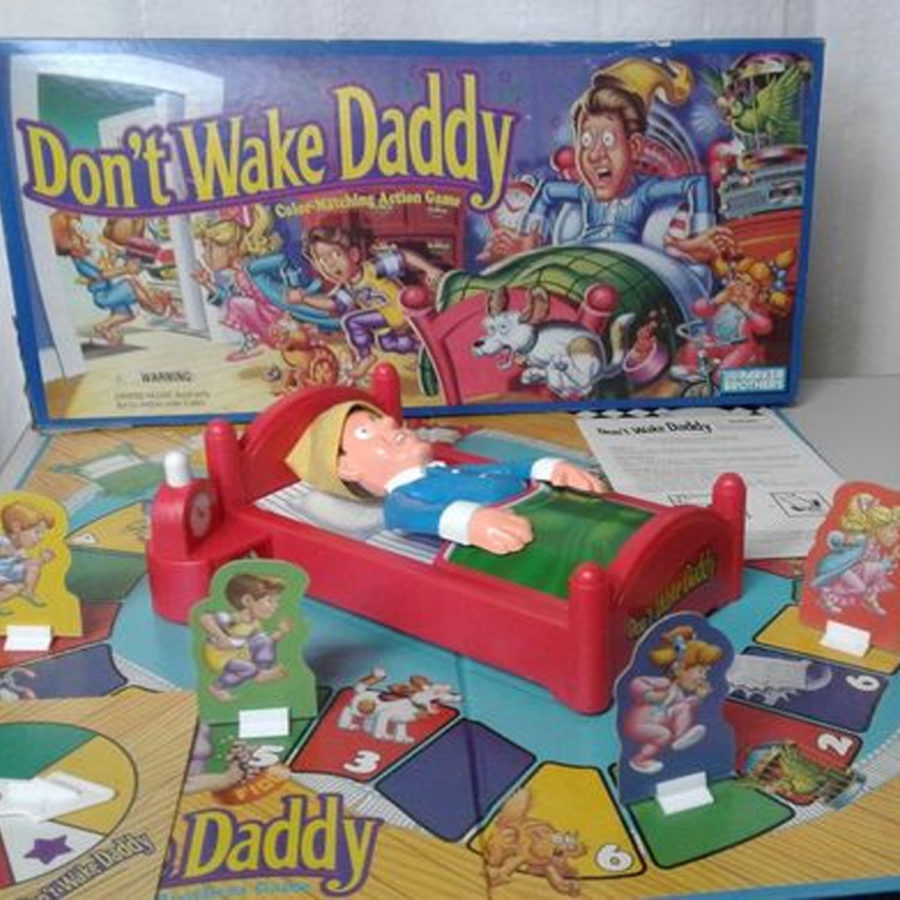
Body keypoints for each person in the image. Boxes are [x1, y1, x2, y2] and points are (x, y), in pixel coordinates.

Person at [285, 400, 607, 554]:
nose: (390, 425)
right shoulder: (402, 500)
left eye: (381, 419)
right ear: (347, 468)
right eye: (366, 432)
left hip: (550, 507)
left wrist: (547, 467)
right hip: (531, 539)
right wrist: (473, 522)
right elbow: (412, 515)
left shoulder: (445, 471)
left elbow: (503, 468)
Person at [487, 69, 735, 264]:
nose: (595, 154)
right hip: (579, 260)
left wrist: (699, 236)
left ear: (634, 146)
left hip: (625, 264)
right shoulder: (585, 193)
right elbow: (546, 191)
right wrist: (528, 238)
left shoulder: (644, 192)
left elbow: (697, 184)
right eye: (586, 142)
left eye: (607, 140)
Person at [294, 226, 442, 383]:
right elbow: (333, 303)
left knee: (352, 321)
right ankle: (423, 349)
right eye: (322, 261)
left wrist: (430, 269)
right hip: (383, 321)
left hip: (397, 310)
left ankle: (365, 356)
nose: (331, 265)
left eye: (335, 255)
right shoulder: (348, 288)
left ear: (353, 255)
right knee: (387, 344)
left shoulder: (373, 268)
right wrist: (304, 299)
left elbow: (403, 257)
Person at [623, 624, 724, 774]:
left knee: (683, 709)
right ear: (678, 669)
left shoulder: (679, 694)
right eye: (700, 671)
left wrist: (699, 697)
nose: (703, 678)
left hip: (659, 722)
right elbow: (636, 683)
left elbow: (685, 707)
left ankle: (680, 737)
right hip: (640, 723)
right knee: (664, 734)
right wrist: (648, 695)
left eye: (705, 673)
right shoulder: (664, 683)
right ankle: (639, 759)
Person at [199, 572, 293, 700]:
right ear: (247, 601)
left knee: (265, 641)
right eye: (270, 601)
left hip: (239, 652)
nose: (276, 606)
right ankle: (217, 687)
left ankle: (262, 671)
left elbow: (268, 641)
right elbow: (205, 618)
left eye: (277, 602)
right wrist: (222, 638)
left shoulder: (255, 623)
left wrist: (281, 632)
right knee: (248, 668)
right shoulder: (234, 618)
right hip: (220, 656)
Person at [0, 502, 56, 611]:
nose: (41, 537)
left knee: (31, 569)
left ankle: (28, 592)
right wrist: (43, 559)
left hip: (9, 576)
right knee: (13, 589)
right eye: (37, 532)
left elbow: (27, 563)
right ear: (16, 527)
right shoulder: (4, 543)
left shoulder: (20, 548)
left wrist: (42, 560)